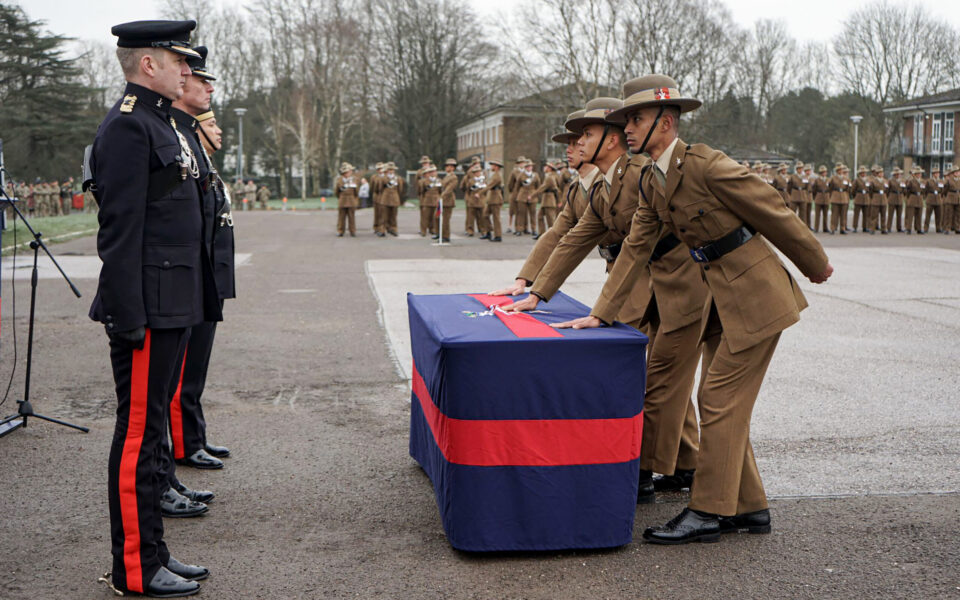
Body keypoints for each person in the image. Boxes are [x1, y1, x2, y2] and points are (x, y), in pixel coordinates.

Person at [529, 73, 833, 545]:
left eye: (639, 119)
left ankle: (708, 512)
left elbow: (771, 208)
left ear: (666, 124)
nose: (628, 128)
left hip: (755, 295)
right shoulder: (653, 179)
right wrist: (601, 312)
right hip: (720, 298)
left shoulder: (707, 165)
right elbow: (634, 248)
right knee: (724, 405)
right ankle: (750, 508)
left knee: (717, 400)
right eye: (626, 120)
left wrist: (815, 264)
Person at [503, 90, 706, 503]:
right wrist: (535, 288)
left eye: (585, 135)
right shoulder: (595, 186)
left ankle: (648, 470)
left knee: (660, 381)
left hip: (672, 277)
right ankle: (684, 463)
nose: (574, 145)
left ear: (610, 139)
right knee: (663, 380)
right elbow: (568, 238)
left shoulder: (638, 173)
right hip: (636, 278)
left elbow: (642, 240)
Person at [90, 19, 217, 597]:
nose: (185, 71)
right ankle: (135, 569)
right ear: (148, 65)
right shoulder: (127, 128)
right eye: (176, 61)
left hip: (176, 301)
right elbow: (120, 230)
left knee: (151, 435)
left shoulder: (161, 121)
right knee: (139, 435)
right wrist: (127, 314)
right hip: (148, 307)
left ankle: (156, 553)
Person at [533, 161, 559, 240]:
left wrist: (532, 195)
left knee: (550, 219)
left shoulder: (549, 177)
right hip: (545, 200)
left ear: (549, 169)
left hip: (549, 201)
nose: (544, 168)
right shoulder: (547, 176)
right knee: (540, 216)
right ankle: (542, 233)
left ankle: (554, 235)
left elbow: (543, 188)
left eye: (546, 167)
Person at [378, 162, 404, 236]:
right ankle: (382, 230)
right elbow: (380, 188)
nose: (391, 171)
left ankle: (393, 229)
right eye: (389, 169)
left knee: (393, 216)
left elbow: (400, 189)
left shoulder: (398, 178)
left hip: (394, 198)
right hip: (385, 198)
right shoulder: (383, 178)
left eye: (392, 169)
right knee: (384, 216)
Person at [334, 163, 360, 237]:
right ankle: (340, 231)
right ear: (344, 173)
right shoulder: (339, 180)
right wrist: (341, 197)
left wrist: (354, 199)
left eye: (350, 171)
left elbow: (356, 191)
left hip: (351, 200)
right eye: (349, 171)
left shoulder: (355, 179)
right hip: (342, 200)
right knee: (341, 217)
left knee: (351, 217)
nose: (350, 172)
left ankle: (353, 231)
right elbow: (336, 192)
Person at [515, 160, 540, 235]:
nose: (529, 168)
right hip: (522, 196)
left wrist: (534, 194)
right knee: (521, 213)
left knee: (533, 214)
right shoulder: (521, 175)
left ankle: (533, 229)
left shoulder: (535, 175)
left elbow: (538, 186)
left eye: (530, 166)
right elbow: (517, 186)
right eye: (527, 166)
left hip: (532, 196)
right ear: (525, 167)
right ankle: (520, 229)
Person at [463, 162, 487, 237]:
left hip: (481, 200)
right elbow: (468, 190)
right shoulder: (471, 181)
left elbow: (486, 190)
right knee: (470, 217)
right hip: (472, 200)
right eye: (476, 172)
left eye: (479, 172)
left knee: (482, 216)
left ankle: (484, 230)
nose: (477, 173)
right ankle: (470, 230)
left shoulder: (484, 180)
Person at [484, 159, 504, 241]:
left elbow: (489, 186)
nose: (491, 166)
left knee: (496, 218)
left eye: (492, 165)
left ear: (496, 167)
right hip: (491, 198)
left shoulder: (497, 176)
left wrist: (479, 192)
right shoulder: (493, 175)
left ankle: (498, 236)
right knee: (485, 215)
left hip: (495, 198)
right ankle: (488, 232)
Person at [904, 166, 924, 234]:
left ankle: (919, 228)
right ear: (915, 174)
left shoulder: (922, 181)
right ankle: (908, 228)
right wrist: (909, 197)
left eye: (920, 173)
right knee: (910, 215)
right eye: (918, 173)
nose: (919, 175)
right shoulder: (911, 181)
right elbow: (907, 190)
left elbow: (924, 190)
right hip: (913, 197)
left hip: (920, 198)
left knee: (919, 215)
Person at [924, 166, 943, 233]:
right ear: (933, 174)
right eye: (936, 173)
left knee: (939, 215)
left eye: (938, 173)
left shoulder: (940, 181)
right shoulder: (929, 181)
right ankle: (926, 228)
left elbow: (942, 190)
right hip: (930, 198)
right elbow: (925, 190)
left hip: (938, 198)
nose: (937, 174)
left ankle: (938, 228)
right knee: (928, 215)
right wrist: (927, 197)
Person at [887, 167, 905, 233]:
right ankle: (888, 227)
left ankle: (899, 228)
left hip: (899, 197)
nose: (898, 175)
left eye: (899, 174)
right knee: (890, 214)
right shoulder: (890, 181)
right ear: (894, 175)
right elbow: (887, 190)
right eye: (896, 174)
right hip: (892, 197)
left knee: (899, 214)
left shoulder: (902, 181)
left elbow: (904, 190)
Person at [813, 165, 830, 233]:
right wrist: (815, 197)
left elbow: (831, 188)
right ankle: (816, 228)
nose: (824, 173)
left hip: (826, 197)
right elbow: (814, 189)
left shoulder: (828, 180)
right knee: (817, 215)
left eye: (825, 172)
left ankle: (825, 228)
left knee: (825, 215)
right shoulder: (817, 180)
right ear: (820, 173)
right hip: (819, 197)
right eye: (822, 172)